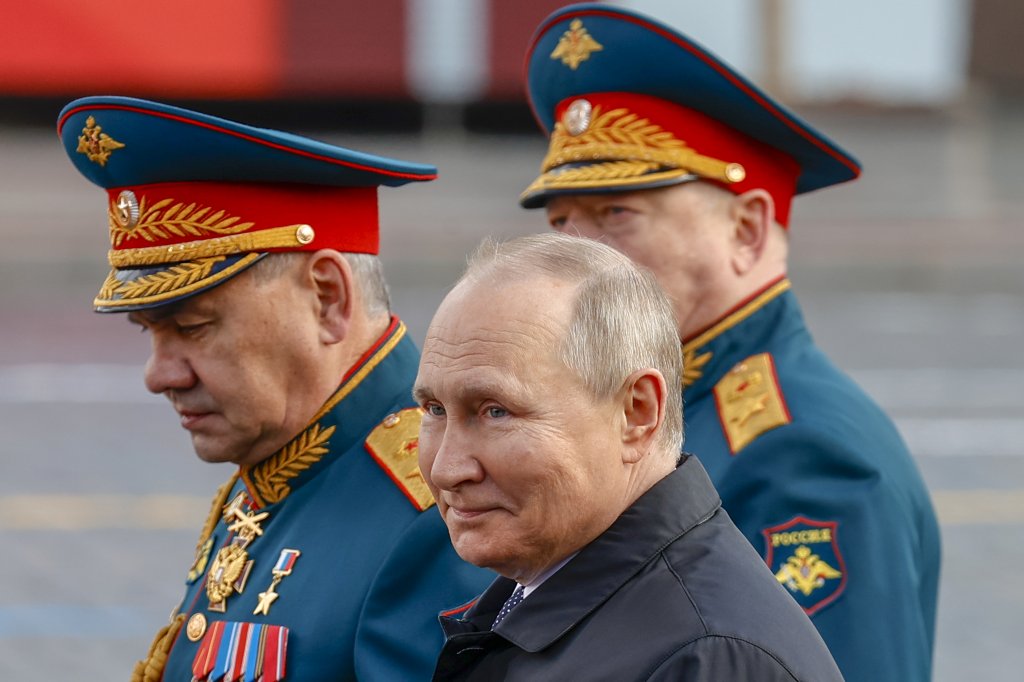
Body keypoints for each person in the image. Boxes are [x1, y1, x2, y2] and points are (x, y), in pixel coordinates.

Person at [517, 5, 941, 681]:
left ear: (746, 230)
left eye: (616, 214)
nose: (573, 255)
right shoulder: (673, 407)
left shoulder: (799, 455)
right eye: (562, 220)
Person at [57, 96, 492, 682]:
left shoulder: (439, 506)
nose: (159, 374)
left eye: (193, 327)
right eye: (150, 332)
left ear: (327, 298)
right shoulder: (285, 457)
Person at [414, 232, 844, 681]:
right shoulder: (554, 595)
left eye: (496, 412)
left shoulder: (706, 659)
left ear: (636, 413)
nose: (447, 468)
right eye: (435, 410)